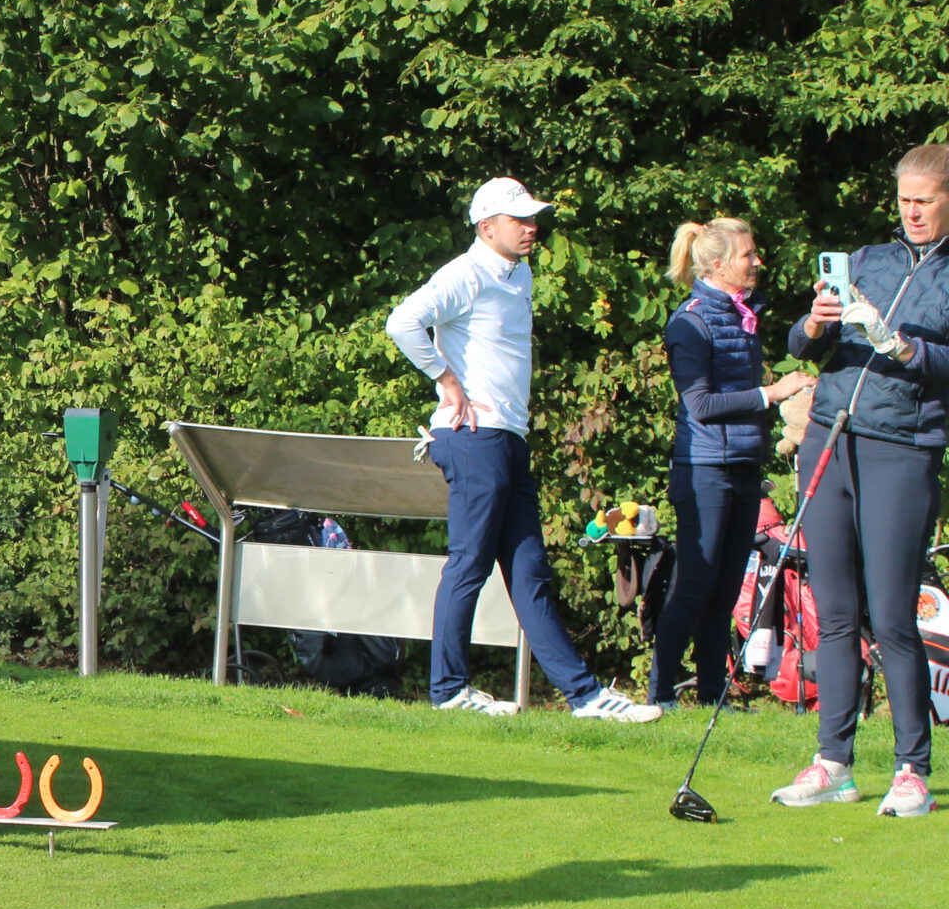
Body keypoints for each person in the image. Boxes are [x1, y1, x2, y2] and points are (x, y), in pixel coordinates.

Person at [384, 178, 661, 722]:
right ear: (487, 227)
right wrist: (446, 379)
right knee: (470, 563)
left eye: (533, 218)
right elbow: (402, 323)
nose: (532, 227)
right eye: (520, 220)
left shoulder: (520, 273)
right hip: (473, 437)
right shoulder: (465, 273)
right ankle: (448, 691)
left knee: (530, 570)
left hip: (507, 437)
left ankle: (585, 697)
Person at [770, 146, 949, 817]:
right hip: (830, 435)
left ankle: (912, 770)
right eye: (905, 199)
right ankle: (833, 762)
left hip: (902, 447)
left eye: (925, 200)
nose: (912, 212)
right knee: (836, 611)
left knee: (893, 615)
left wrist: (904, 347)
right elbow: (802, 345)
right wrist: (815, 323)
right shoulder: (869, 259)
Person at [650, 219, 816, 707]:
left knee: (724, 591)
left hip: (744, 465)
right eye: (748, 254)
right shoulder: (690, 321)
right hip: (705, 469)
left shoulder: (742, 315)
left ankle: (711, 696)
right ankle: (660, 694)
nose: (757, 261)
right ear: (719, 265)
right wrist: (772, 393)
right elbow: (700, 404)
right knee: (694, 585)